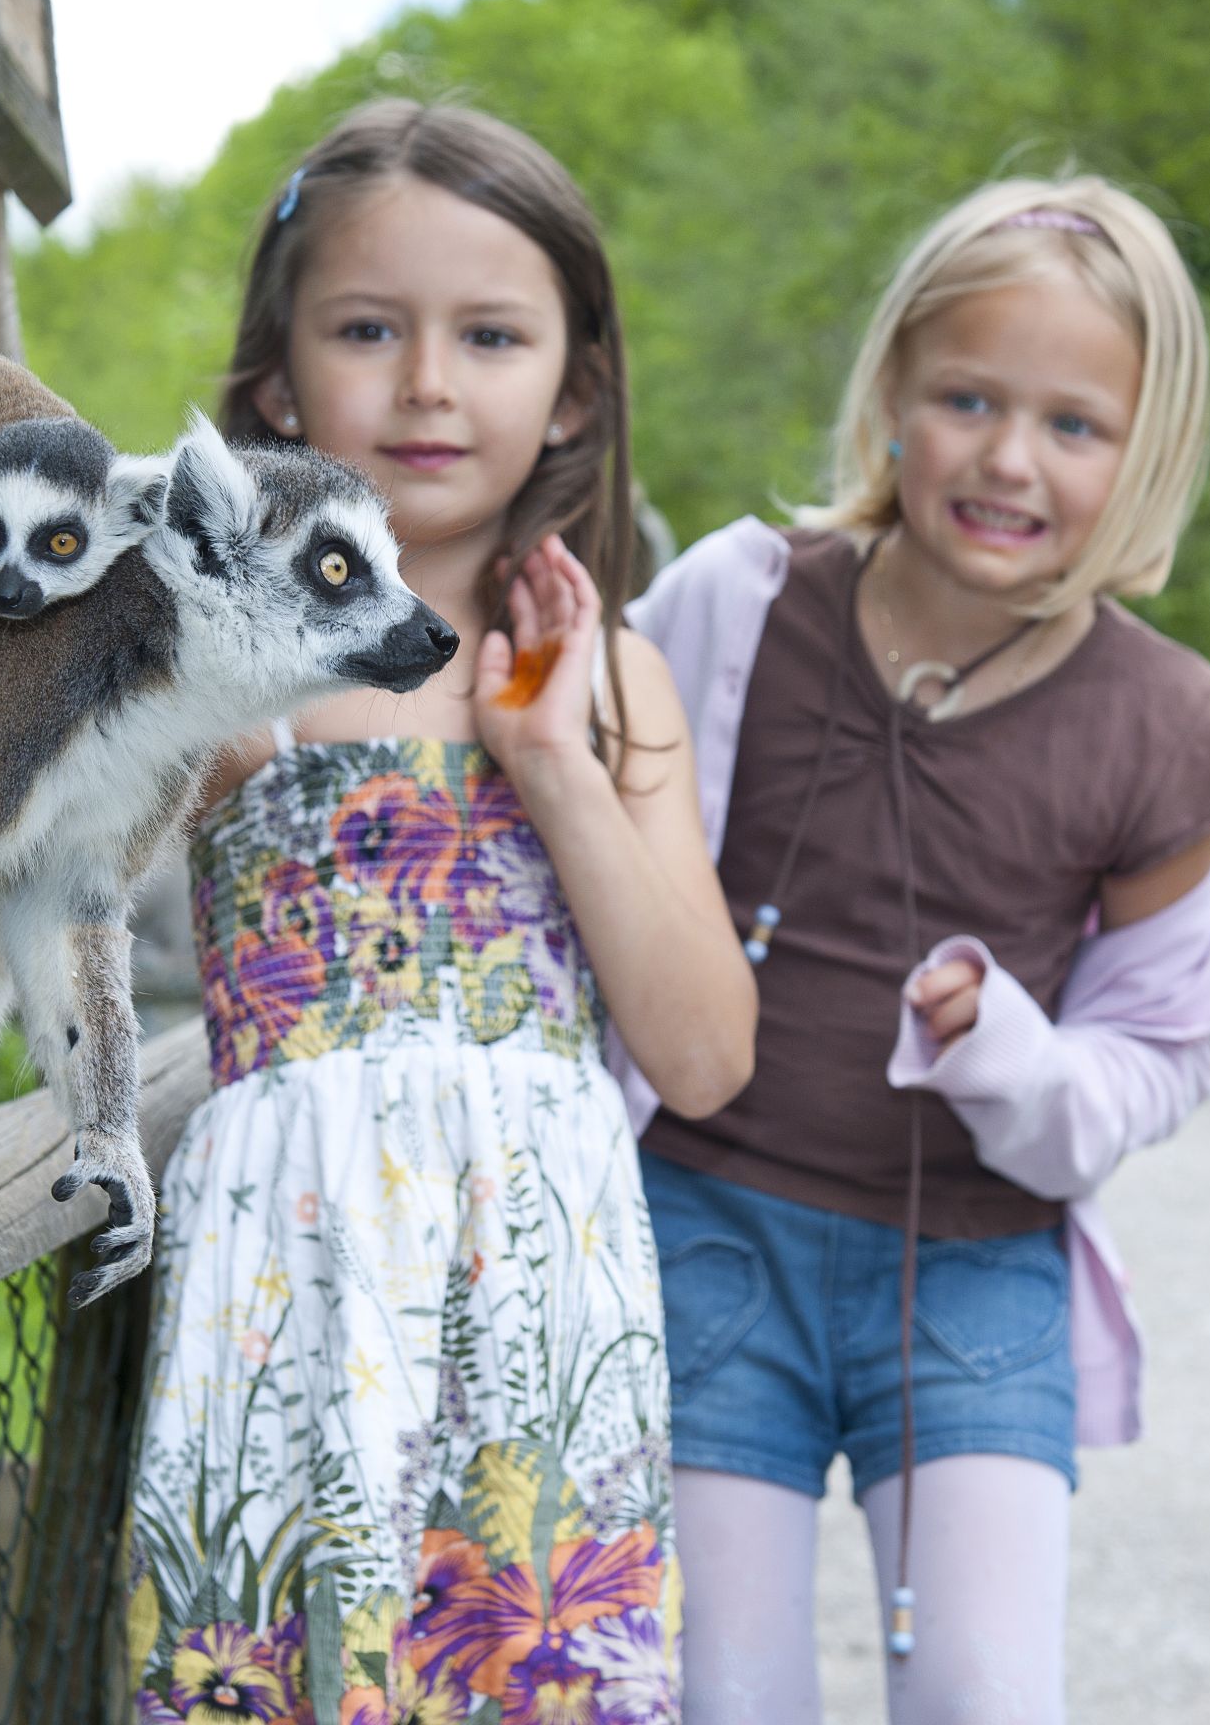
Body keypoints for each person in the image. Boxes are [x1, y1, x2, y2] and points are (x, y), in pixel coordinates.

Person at [625, 178, 1210, 1724]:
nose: (1010, 458)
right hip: (705, 1233)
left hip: (979, 1277)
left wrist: (1015, 1052)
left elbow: (1152, 1063)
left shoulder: (1161, 723)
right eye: (968, 399)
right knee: (722, 1700)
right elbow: (590, 841)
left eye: (1075, 425)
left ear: (1148, 454)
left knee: (984, 1700)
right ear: (892, 400)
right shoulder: (738, 606)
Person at [122, 101, 756, 1725]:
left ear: (573, 387)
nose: (426, 382)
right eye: (365, 329)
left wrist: (551, 760)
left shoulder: (612, 684)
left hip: (538, 1296)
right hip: (287, 1273)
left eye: (489, 334)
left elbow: (700, 1059)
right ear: (276, 380)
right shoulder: (218, 676)